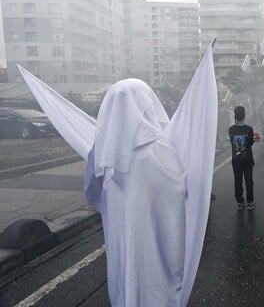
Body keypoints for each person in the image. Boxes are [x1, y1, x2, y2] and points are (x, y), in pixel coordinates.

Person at [17, 44, 218, 307]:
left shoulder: (101, 153)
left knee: (124, 276)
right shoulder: (160, 150)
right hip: (156, 237)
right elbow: (180, 190)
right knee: (156, 282)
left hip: (120, 230)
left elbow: (92, 192)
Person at [229, 105, 256, 210]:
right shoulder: (249, 129)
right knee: (249, 181)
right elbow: (250, 143)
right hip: (247, 159)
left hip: (236, 160)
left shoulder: (231, 130)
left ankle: (240, 202)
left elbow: (232, 143)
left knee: (237, 180)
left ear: (235, 115)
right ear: (244, 115)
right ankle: (250, 202)